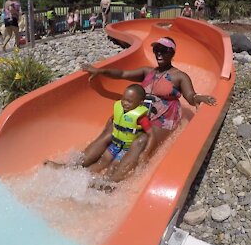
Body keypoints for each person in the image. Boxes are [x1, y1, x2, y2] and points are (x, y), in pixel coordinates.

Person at [77, 37, 217, 182]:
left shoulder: (180, 76)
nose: (159, 54)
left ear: (172, 53)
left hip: (164, 118)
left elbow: (190, 96)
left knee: (141, 140)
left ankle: (111, 182)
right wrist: (99, 71)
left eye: (164, 50)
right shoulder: (147, 71)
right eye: (156, 50)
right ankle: (77, 164)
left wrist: (200, 98)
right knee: (112, 127)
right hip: (142, 112)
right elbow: (122, 74)